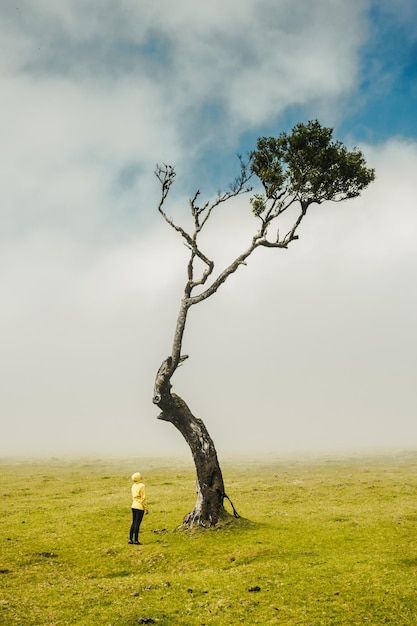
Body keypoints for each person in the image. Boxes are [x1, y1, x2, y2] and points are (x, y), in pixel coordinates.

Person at [128, 472, 148, 545]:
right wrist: (146, 508)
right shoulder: (142, 486)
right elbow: (143, 498)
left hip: (133, 505)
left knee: (133, 522)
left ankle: (130, 539)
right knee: (137, 524)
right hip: (140, 506)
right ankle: (136, 540)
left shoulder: (133, 486)